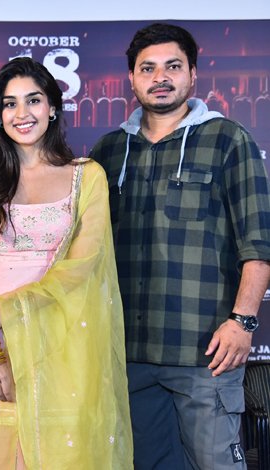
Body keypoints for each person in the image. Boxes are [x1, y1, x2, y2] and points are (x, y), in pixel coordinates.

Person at [91, 23, 270, 469]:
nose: (160, 77)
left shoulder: (228, 140)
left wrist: (242, 322)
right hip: (127, 355)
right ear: (131, 78)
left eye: (172, 66)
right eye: (147, 68)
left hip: (204, 353)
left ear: (193, 73)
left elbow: (259, 243)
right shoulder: (108, 152)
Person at [0, 57, 133, 469]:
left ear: (52, 107)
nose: (22, 113)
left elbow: (82, 266)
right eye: (10, 103)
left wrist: (8, 310)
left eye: (33, 100)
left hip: (64, 340)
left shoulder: (86, 177)